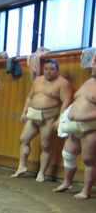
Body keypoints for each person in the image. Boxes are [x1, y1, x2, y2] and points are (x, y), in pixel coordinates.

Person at [11, 58, 72, 182]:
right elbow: (29, 97)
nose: (48, 72)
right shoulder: (38, 80)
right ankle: (21, 166)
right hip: (33, 115)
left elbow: (66, 102)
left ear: (57, 70)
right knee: (23, 139)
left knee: (45, 145)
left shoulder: (62, 83)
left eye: (52, 69)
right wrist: (24, 112)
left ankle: (41, 172)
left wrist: (60, 119)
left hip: (49, 117)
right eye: (46, 69)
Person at [53, 59, 96, 199]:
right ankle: (67, 182)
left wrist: (84, 116)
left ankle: (86, 191)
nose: (93, 65)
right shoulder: (89, 82)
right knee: (68, 154)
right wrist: (69, 114)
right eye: (94, 62)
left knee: (89, 160)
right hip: (74, 126)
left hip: (90, 128)